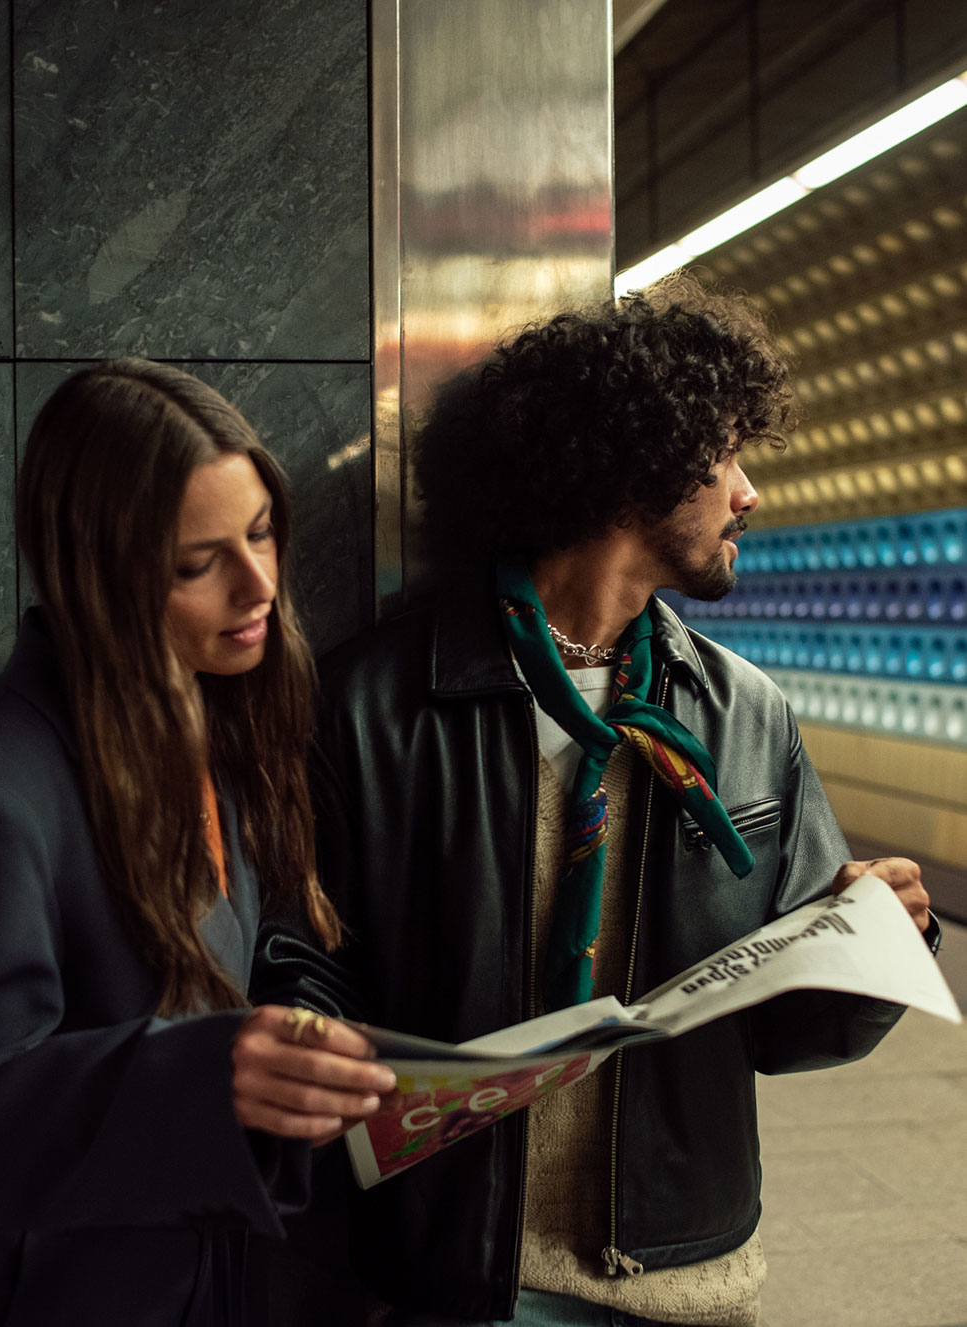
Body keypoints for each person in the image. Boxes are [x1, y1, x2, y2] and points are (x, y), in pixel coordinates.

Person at [310, 275, 936, 1327]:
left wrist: (874, 941)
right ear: (627, 466)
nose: (747, 493)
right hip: (462, 1278)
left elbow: (789, 1034)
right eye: (723, 456)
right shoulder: (374, 706)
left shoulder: (743, 713)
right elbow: (295, 949)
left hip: (688, 1276)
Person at [0, 358, 396, 1327]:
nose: (256, 585)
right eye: (196, 565)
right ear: (98, 577)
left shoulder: (210, 727)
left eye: (259, 533)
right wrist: (211, 1070)